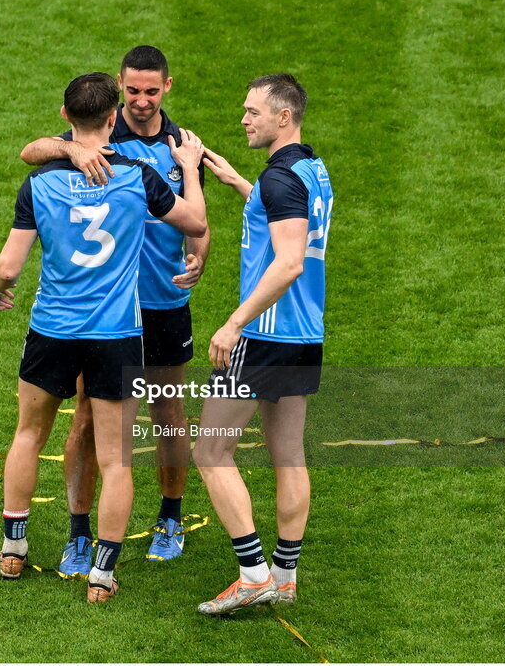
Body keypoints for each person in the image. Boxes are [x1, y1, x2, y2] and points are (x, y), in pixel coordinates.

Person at [0, 72, 206, 602]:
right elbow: (194, 222)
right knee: (116, 457)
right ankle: (103, 573)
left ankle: (13, 548)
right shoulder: (138, 178)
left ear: (65, 118)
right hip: (116, 333)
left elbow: (9, 267)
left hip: (53, 329)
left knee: (26, 437)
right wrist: (190, 171)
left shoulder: (38, 185)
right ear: (113, 119)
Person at [192, 74, 333, 615]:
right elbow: (289, 224)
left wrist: (233, 324)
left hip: (266, 334)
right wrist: (238, 184)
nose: (244, 120)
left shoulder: (280, 181)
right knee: (288, 453)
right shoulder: (309, 170)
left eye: (253, 112)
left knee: (211, 450)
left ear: (283, 117)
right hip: (304, 335)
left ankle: (252, 574)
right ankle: (285, 576)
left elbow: (289, 261)